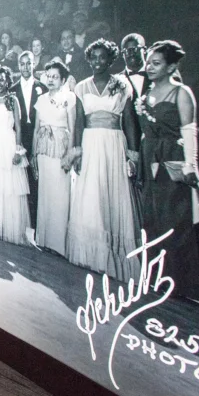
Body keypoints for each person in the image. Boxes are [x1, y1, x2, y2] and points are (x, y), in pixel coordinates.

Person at [135, 41, 199, 308]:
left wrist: (189, 167)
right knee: (154, 224)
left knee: (179, 228)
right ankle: (163, 282)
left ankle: (193, 287)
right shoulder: (147, 93)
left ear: (172, 66)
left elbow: (189, 133)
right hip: (151, 165)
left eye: (156, 63)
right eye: (148, 62)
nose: (149, 67)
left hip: (173, 168)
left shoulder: (181, 93)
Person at [68, 39, 141, 281]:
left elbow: (129, 119)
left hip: (114, 144)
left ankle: (114, 256)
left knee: (113, 195)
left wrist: (133, 154)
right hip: (90, 143)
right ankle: (92, 256)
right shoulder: (81, 87)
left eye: (103, 57)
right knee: (92, 196)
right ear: (88, 60)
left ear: (111, 60)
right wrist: (77, 151)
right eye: (94, 57)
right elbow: (79, 121)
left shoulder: (122, 86)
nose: (98, 62)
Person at [0, 67, 30, 245]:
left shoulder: (13, 99)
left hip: (9, 142)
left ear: (7, 81)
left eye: (3, 80)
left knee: (9, 185)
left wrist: (18, 150)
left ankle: (11, 228)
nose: (0, 83)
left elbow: (18, 125)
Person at [32, 61, 76, 255]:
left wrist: (70, 154)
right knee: (45, 193)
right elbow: (35, 129)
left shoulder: (70, 98)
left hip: (61, 148)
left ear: (63, 79)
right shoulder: (40, 99)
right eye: (48, 76)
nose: (50, 80)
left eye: (55, 77)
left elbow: (73, 129)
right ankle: (43, 239)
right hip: (43, 149)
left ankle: (59, 244)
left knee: (60, 194)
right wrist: (34, 154)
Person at [11, 51, 48, 239]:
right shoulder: (13, 88)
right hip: (19, 137)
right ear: (18, 66)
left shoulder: (42, 87)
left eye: (29, 64)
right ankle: (24, 223)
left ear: (34, 64)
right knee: (20, 179)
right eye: (22, 64)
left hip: (38, 136)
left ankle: (38, 225)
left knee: (36, 179)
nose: (25, 67)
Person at [120, 33, 148, 98]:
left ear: (144, 50)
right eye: (127, 51)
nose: (131, 54)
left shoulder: (157, 74)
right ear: (122, 54)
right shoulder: (117, 80)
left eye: (135, 49)